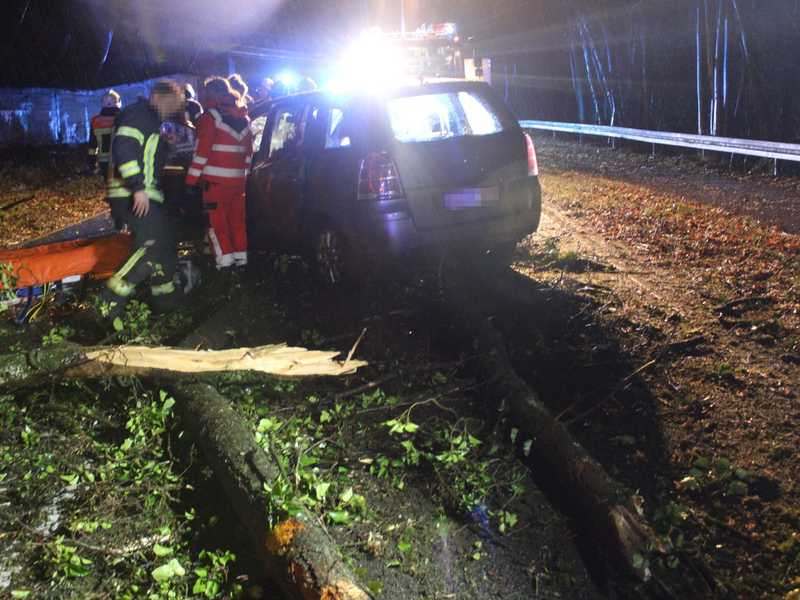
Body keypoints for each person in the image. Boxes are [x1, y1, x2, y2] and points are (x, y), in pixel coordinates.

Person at [94, 80, 186, 320]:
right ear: (157, 97)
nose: (171, 110)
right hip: (130, 193)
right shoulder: (137, 114)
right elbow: (124, 148)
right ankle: (106, 304)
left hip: (145, 194)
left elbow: (157, 149)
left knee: (163, 247)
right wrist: (137, 187)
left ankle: (167, 305)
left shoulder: (152, 121)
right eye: (170, 104)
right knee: (150, 245)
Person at [185, 76, 253, 272]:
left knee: (216, 224)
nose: (204, 95)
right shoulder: (244, 118)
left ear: (214, 93)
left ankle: (225, 265)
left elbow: (201, 154)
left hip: (215, 184)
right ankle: (241, 261)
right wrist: (242, 178)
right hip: (238, 183)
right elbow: (248, 154)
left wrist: (190, 182)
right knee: (238, 222)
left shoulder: (210, 117)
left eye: (207, 92)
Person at [87, 90, 121, 178]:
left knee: (110, 185)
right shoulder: (123, 118)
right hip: (121, 159)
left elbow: (92, 144)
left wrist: (92, 163)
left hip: (104, 162)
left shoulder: (95, 120)